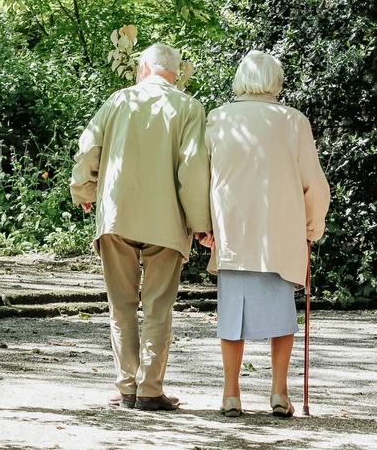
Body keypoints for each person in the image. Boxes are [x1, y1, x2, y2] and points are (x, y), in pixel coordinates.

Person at [70, 43, 212, 411]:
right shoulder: (189, 108)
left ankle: (126, 387)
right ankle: (150, 390)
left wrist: (84, 189)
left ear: (143, 69)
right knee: (158, 307)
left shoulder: (117, 101)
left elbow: (88, 149)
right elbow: (193, 168)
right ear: (176, 73)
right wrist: (200, 224)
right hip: (167, 221)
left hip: (118, 216)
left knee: (121, 305)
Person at [203, 50, 330, 418]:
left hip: (234, 232)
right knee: (281, 315)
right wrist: (311, 226)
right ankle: (278, 392)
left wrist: (204, 226)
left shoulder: (218, 119)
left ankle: (230, 394)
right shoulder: (293, 122)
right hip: (280, 233)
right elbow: (314, 185)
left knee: (231, 316)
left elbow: (203, 178)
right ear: (276, 81)